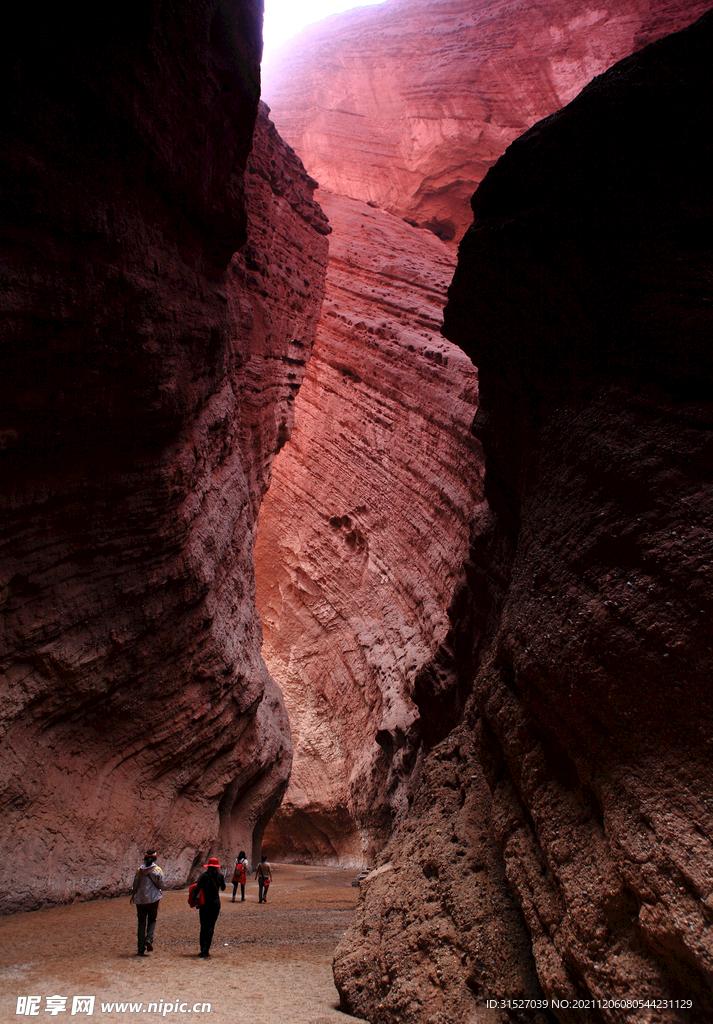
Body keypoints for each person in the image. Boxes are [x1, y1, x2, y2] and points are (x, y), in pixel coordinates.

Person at [130, 849, 164, 957]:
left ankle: (140, 949)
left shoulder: (139, 870)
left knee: (141, 923)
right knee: (152, 920)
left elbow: (135, 883)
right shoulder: (158, 870)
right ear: (155, 858)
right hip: (153, 899)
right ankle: (149, 938)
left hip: (140, 900)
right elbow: (162, 884)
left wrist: (133, 894)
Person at [193, 857, 225, 957]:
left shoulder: (204, 876)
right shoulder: (220, 876)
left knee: (203, 926)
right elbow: (223, 888)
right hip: (215, 904)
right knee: (211, 926)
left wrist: (193, 899)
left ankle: (203, 949)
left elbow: (197, 887)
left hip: (205, 903)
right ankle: (207, 950)